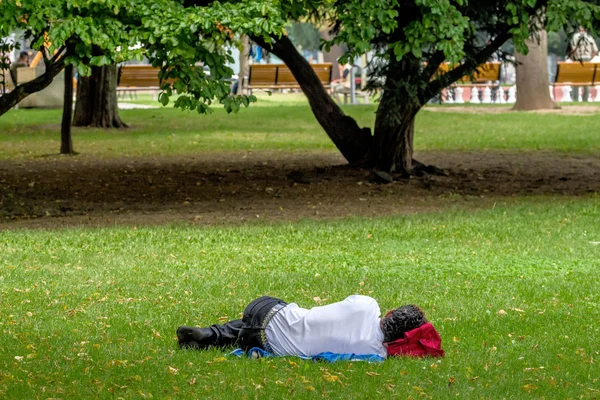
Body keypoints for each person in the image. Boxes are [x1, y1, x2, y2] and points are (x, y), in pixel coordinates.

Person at [176, 295, 444, 359]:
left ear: (390, 313)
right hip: (265, 344)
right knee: (248, 333)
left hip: (264, 310)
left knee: (291, 316)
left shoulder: (367, 304)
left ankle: (210, 334)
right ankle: (213, 335)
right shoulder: (374, 353)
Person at [568, 27, 599, 102]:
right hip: (587, 60)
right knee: (586, 81)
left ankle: (575, 99)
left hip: (578, 60)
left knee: (576, 81)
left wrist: (573, 58)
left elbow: (572, 50)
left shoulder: (575, 36)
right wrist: (590, 58)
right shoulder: (589, 37)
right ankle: (585, 99)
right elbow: (595, 51)